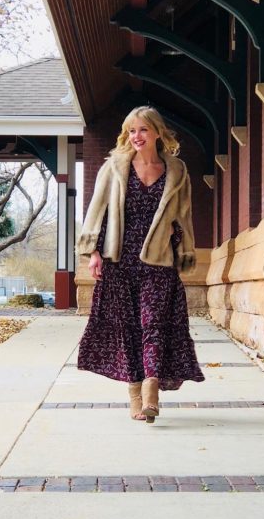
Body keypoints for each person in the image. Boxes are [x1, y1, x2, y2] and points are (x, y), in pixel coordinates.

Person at [76, 105, 204, 422]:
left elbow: (183, 216)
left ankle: (151, 389)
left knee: (154, 324)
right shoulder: (114, 168)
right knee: (128, 329)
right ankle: (134, 396)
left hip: (158, 261)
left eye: (143, 130)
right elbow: (97, 211)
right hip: (119, 260)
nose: (136, 136)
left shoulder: (177, 171)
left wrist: (183, 249)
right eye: (131, 130)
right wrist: (93, 252)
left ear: (157, 132)